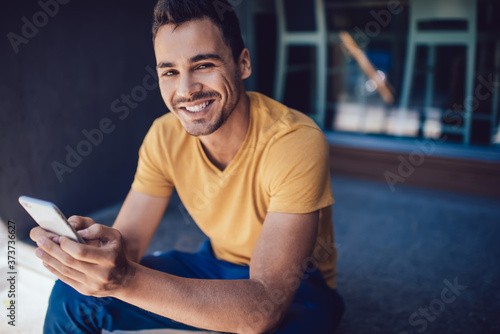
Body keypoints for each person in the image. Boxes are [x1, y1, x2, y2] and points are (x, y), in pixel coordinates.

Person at [30, 0, 345, 333]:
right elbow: (131, 246)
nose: (186, 90)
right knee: (73, 295)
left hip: (297, 286)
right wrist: (94, 258)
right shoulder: (164, 135)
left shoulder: (294, 140)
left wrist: (124, 278)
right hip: (214, 264)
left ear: (243, 63)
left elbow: (264, 303)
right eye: (170, 71)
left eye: (204, 65)